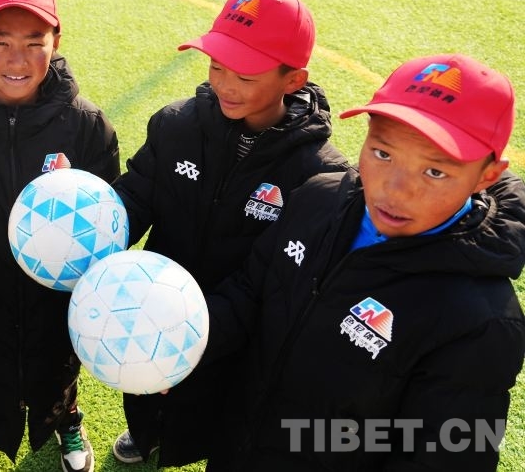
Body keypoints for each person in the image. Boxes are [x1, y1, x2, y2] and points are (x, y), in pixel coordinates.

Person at [200, 53, 525, 470]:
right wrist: (192, 344)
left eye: (435, 172)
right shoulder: (317, 197)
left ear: (487, 176)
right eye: (383, 153)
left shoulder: (482, 321)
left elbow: (445, 455)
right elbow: (251, 289)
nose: (394, 190)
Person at [110, 0, 350, 466]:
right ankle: (145, 432)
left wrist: (199, 333)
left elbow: (279, 280)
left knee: (219, 412)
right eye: (216, 66)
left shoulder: (319, 175)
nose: (225, 85)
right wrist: (100, 229)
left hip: (236, 331)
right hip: (155, 307)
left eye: (245, 75)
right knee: (144, 388)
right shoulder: (176, 124)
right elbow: (137, 194)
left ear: (293, 79)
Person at [0, 0, 121, 472]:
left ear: (56, 40)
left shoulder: (86, 125)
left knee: (57, 366)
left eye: (33, 42)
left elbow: (107, 218)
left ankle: (68, 417)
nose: (17, 60)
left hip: (54, 297)